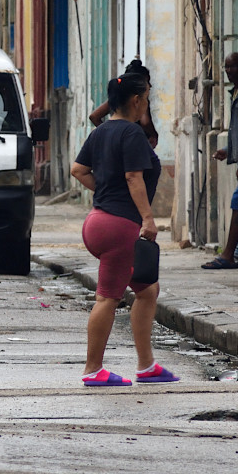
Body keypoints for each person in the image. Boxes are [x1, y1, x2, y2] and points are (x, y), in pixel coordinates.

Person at [70, 74, 178, 386]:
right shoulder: (130, 133)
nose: (148, 102)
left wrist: (104, 190)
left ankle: (147, 366)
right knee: (108, 297)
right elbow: (134, 177)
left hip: (98, 220)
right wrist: (147, 218)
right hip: (119, 226)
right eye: (146, 97)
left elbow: (78, 170)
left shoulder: (102, 130)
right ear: (136, 101)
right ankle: (93, 369)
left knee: (147, 291)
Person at [205, 52, 238, 269]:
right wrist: (229, 150)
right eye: (226, 67)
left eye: (233, 67)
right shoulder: (235, 92)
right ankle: (236, 254)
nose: (229, 71)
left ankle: (228, 254)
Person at [89, 59, 158, 148]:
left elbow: (94, 116)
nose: (150, 85)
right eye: (147, 82)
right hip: (135, 145)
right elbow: (145, 122)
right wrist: (153, 134)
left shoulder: (117, 98)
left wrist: (109, 133)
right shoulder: (140, 100)